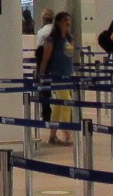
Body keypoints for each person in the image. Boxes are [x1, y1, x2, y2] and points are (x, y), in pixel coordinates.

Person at [38, 11, 76, 146]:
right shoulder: (51, 39)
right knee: (67, 101)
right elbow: (45, 59)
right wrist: (42, 76)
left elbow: (70, 57)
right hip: (57, 75)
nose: (68, 23)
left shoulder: (69, 38)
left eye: (69, 20)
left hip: (69, 74)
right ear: (59, 22)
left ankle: (52, 135)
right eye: (65, 20)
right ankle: (66, 130)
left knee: (59, 106)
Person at [34, 8, 55, 122]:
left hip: (45, 64)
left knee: (44, 91)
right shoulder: (58, 30)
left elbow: (40, 50)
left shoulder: (42, 32)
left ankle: (46, 115)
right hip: (58, 65)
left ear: (43, 19)